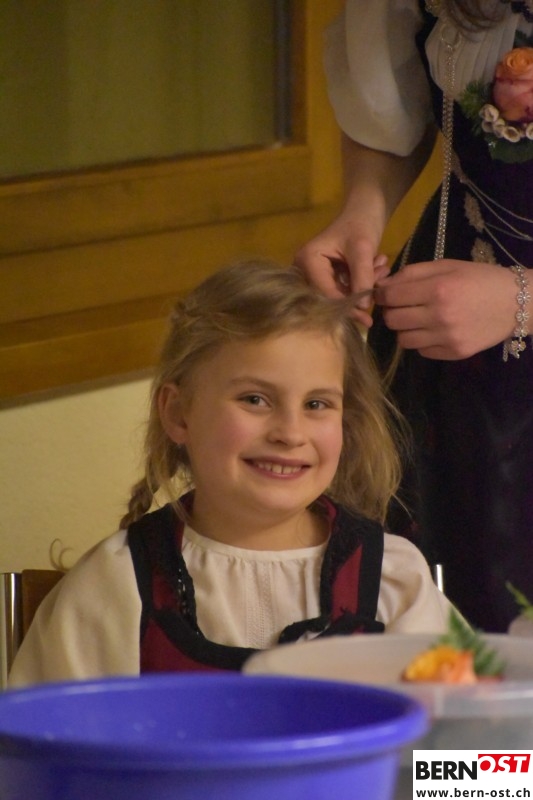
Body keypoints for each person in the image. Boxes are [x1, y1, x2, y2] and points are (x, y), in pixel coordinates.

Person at [9, 259, 451, 687]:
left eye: (316, 404)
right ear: (178, 413)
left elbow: (465, 735)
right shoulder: (115, 585)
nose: (290, 433)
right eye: (255, 399)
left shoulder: (394, 581)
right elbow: (44, 738)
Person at [294, 0, 533, 633]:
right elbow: (392, 114)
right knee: (440, 634)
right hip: (450, 361)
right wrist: (362, 213)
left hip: (484, 316)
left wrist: (522, 299)